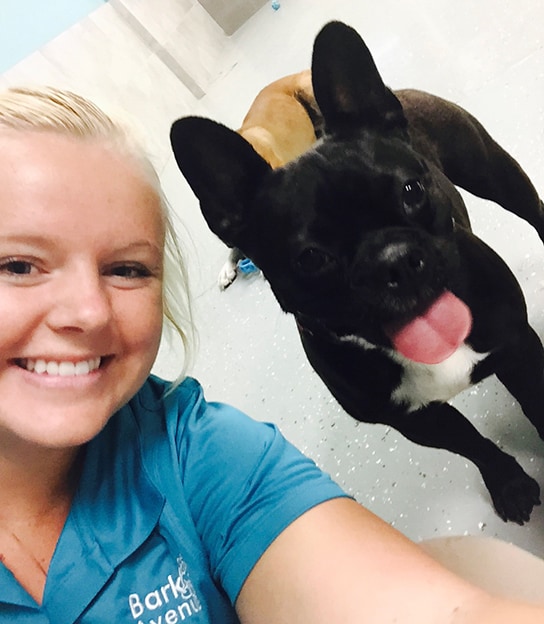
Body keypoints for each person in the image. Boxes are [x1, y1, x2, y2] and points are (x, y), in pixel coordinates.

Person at [0, 85, 543, 624]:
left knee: (510, 193)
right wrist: (493, 463)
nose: (87, 313)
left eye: (126, 268)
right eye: (18, 265)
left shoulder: (201, 452)